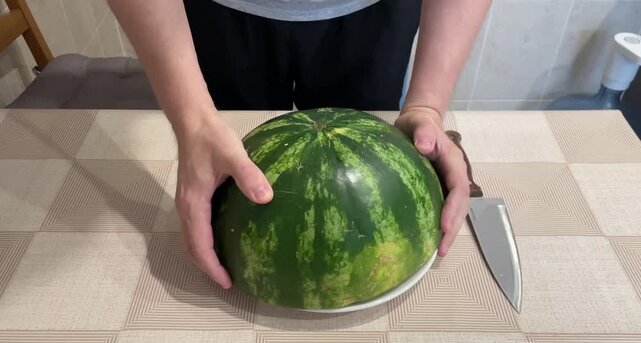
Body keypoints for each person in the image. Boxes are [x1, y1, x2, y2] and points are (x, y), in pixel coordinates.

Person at [108, 0, 490, 289]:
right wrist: (193, 121)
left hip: (374, 13)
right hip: (216, 13)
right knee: (236, 186)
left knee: (361, 193)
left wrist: (427, 104)